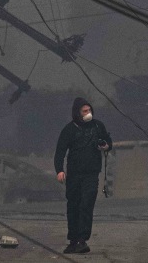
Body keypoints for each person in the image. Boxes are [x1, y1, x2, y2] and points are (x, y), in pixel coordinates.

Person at [54, 97, 112, 254]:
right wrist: (59, 170)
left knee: (86, 205)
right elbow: (60, 151)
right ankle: (73, 240)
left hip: (91, 174)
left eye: (89, 110)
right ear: (77, 113)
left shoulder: (98, 126)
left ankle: (82, 239)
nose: (88, 114)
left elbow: (108, 142)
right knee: (73, 206)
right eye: (85, 111)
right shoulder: (69, 129)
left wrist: (105, 145)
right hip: (73, 175)